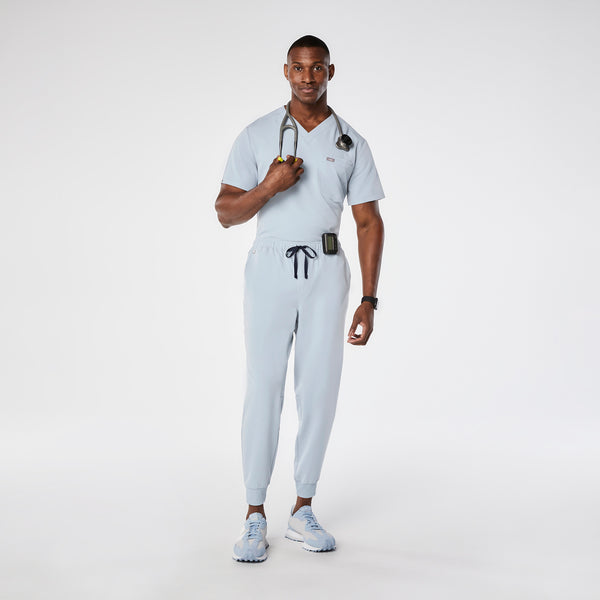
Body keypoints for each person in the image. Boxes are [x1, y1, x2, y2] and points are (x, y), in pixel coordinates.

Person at [215, 35, 385, 562]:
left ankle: (302, 508)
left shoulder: (350, 143)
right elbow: (225, 213)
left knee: (319, 389)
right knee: (263, 386)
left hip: (326, 267)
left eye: (317, 68)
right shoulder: (257, 134)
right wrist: (270, 185)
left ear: (330, 71)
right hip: (270, 264)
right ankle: (254, 513)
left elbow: (368, 221)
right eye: (299, 67)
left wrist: (369, 299)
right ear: (286, 71)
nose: (308, 77)